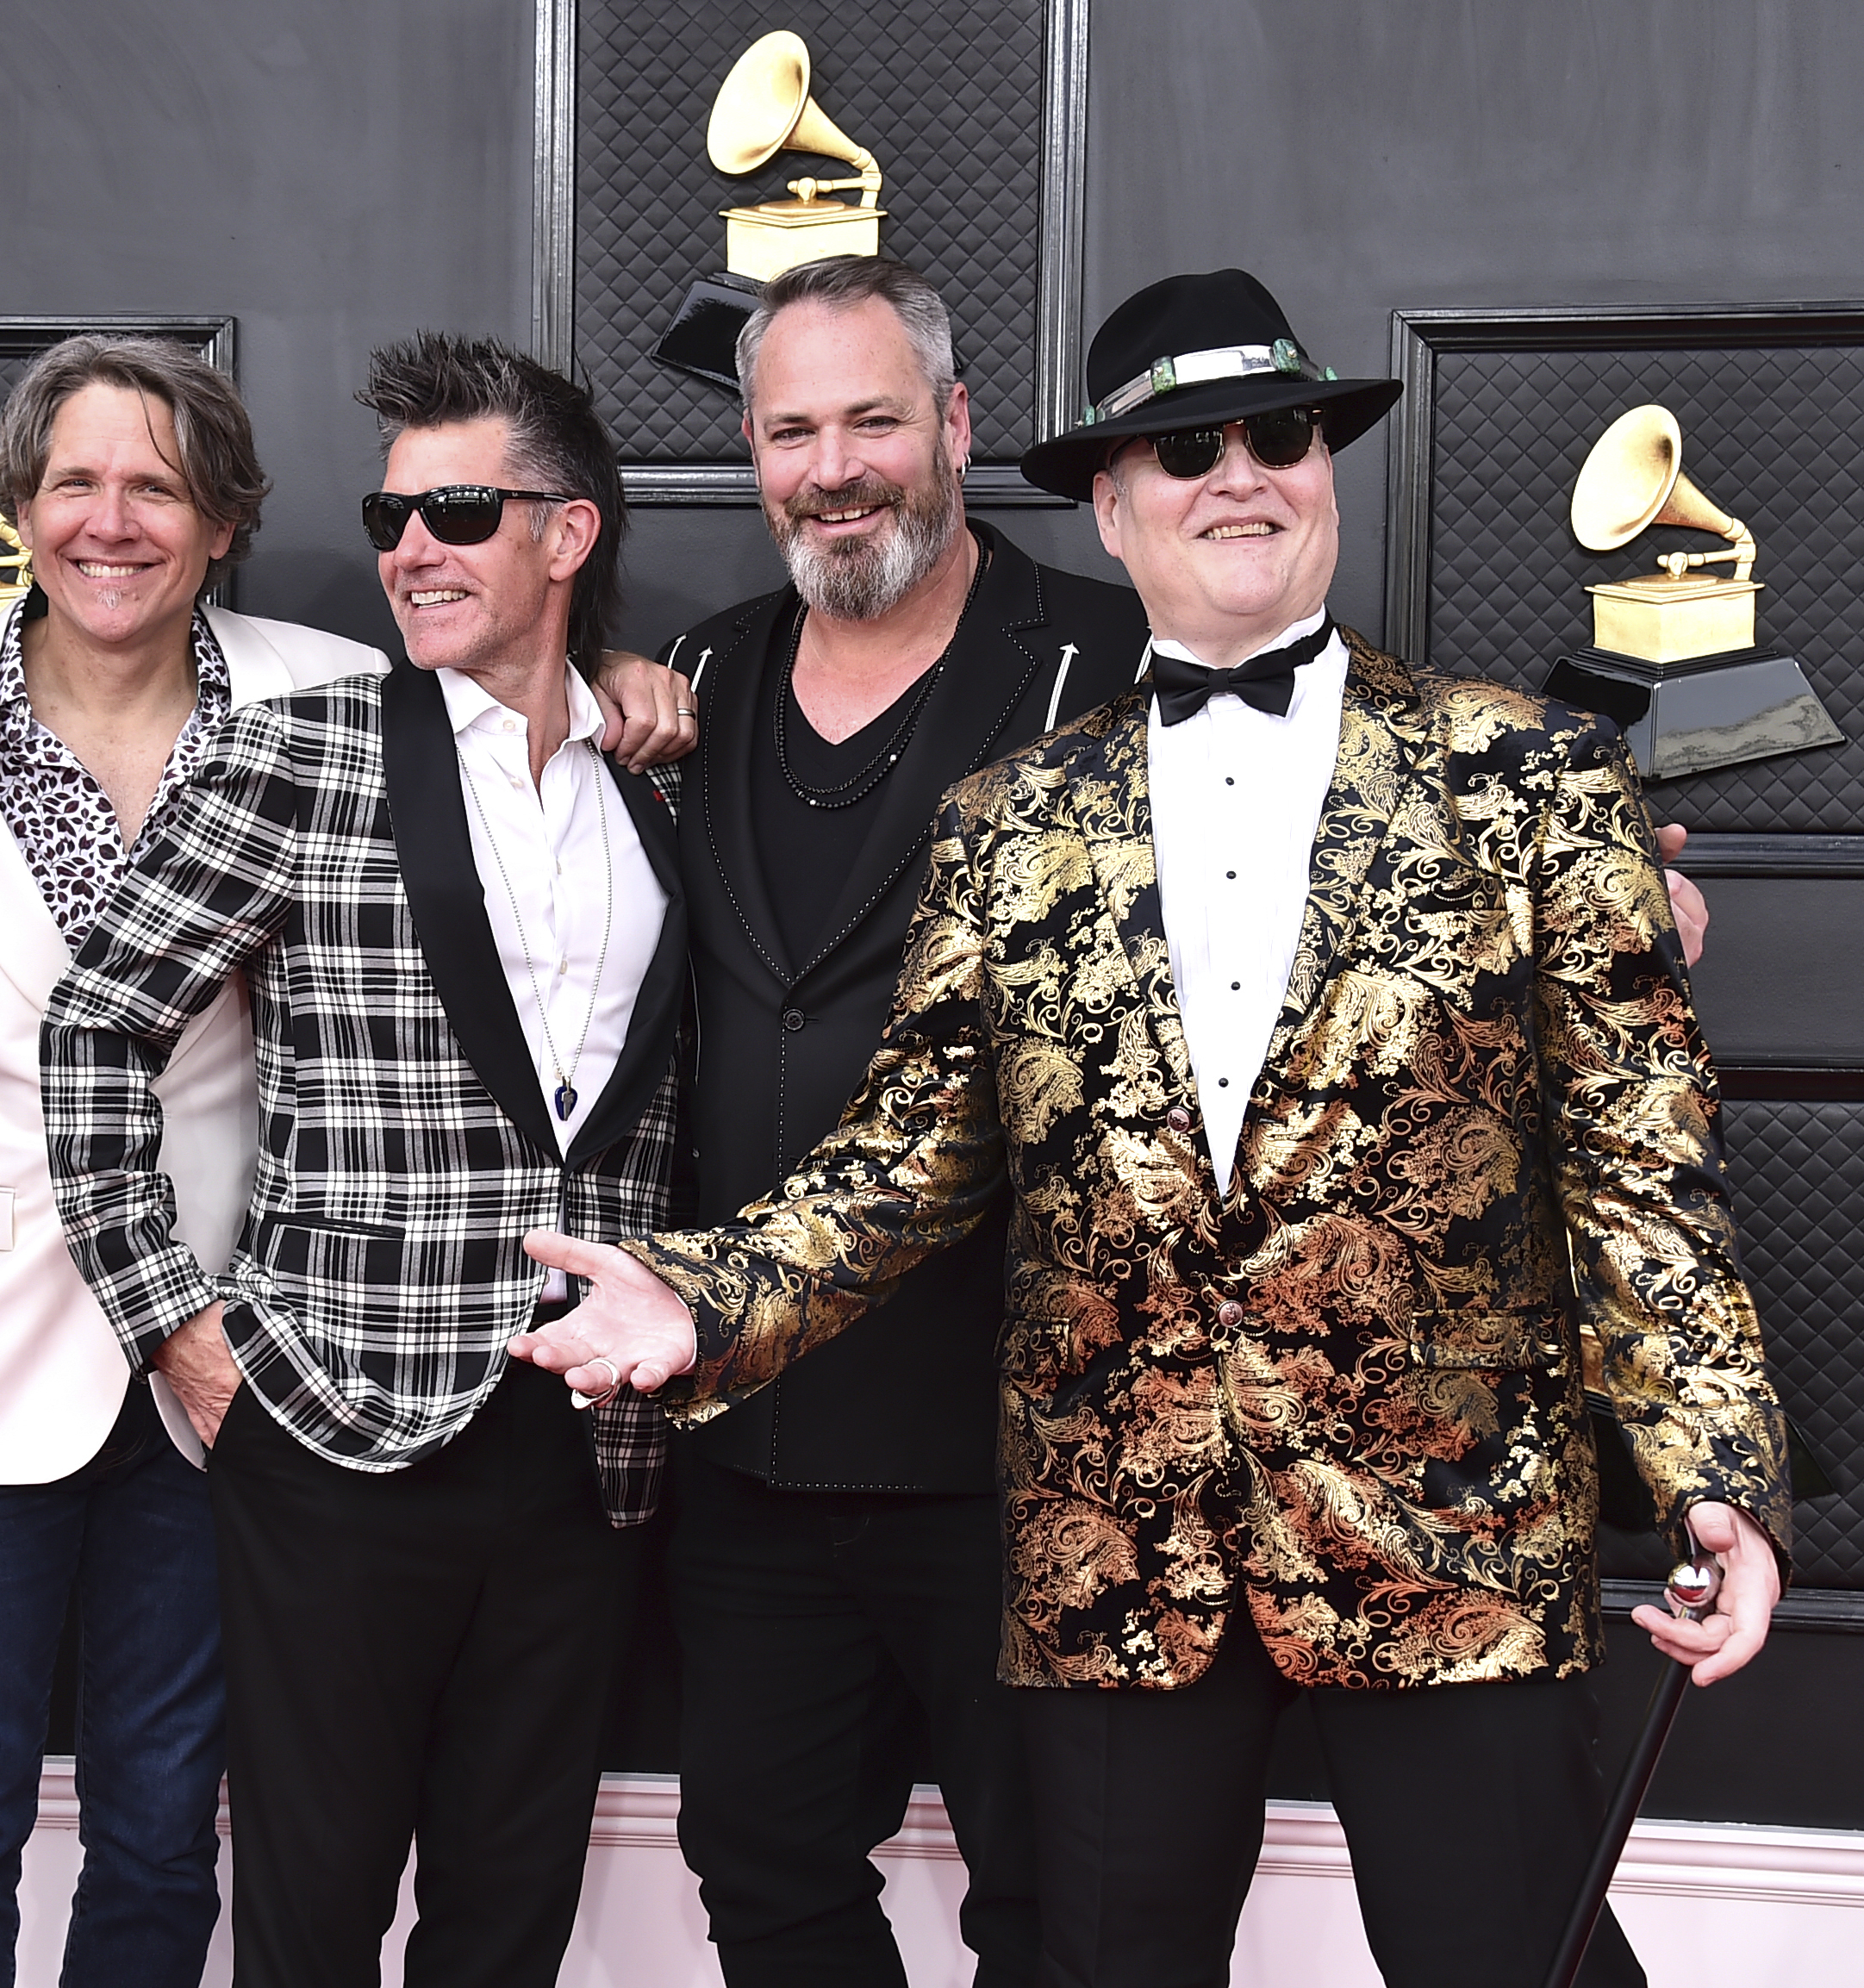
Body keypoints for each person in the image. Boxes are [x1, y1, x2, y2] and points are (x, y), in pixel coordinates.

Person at [518, 268, 1791, 1988]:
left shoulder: (1529, 781)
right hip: (1118, 1540)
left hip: (1444, 1528)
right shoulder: (1011, 818)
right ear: (1111, 508)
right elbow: (908, 1150)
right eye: (1182, 450)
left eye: (1277, 435)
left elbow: (1641, 1178)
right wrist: (702, 1296)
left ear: (1324, 469)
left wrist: (1715, 1466)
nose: (1237, 474)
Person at [40, 332, 687, 1988]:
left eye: (458, 512)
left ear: (569, 533)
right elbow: (96, 1026)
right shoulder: (304, 750)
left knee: (509, 1915)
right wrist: (175, 1327)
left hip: (585, 1446)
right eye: (390, 517)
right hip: (331, 1427)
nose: (410, 550)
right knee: (311, 1919)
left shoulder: (663, 791)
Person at [0, 335, 387, 1986]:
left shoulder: (336, 697)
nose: (110, 520)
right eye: (74, 481)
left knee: (160, 1829)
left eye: (158, 484)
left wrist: (638, 693)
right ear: (19, 508)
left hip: (229, 1358)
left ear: (222, 520)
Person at [647, 254, 1144, 1988]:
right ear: (751, 448)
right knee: (763, 1875)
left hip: (1027, 1438)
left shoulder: (1111, 652)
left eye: (871, 417)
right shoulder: (697, 671)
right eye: (793, 428)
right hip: (756, 1426)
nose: (832, 463)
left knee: (1064, 1910)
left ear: (949, 424)